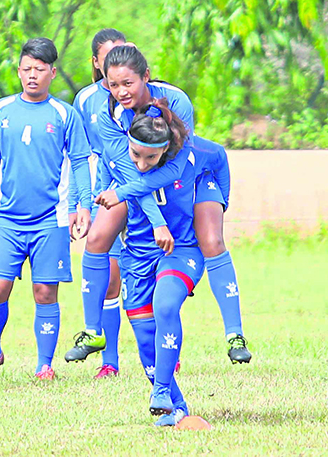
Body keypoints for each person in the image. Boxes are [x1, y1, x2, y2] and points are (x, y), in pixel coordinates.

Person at [68, 44, 251, 364]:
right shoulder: (107, 116)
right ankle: (93, 330)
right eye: (112, 85)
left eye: (128, 83)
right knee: (97, 238)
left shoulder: (176, 101)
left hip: (195, 173)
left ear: (146, 77)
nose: (120, 91)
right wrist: (154, 219)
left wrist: (219, 202)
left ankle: (234, 333)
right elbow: (132, 172)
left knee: (210, 240)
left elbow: (175, 169)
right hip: (139, 177)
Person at [0, 37, 93, 380]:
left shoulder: (65, 114)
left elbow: (78, 162)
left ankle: (44, 365)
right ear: (18, 71)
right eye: (27, 69)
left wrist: (83, 205)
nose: (32, 76)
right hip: (4, 218)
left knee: (45, 291)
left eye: (40, 70)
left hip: (51, 220)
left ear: (52, 73)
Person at [114, 112, 203, 426]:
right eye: (135, 153)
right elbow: (138, 187)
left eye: (150, 157)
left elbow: (217, 157)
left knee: (166, 306)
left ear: (165, 149)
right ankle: (176, 408)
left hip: (179, 251)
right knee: (145, 341)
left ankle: (163, 391)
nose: (141, 163)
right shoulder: (120, 160)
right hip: (136, 258)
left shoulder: (184, 161)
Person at [66, 28, 127, 378]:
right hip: (103, 191)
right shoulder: (85, 100)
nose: (117, 64)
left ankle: (160, 350)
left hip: (135, 186)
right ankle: (111, 362)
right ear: (96, 63)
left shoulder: (140, 96)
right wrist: (80, 202)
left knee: (144, 274)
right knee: (110, 277)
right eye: (108, 57)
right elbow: (80, 157)